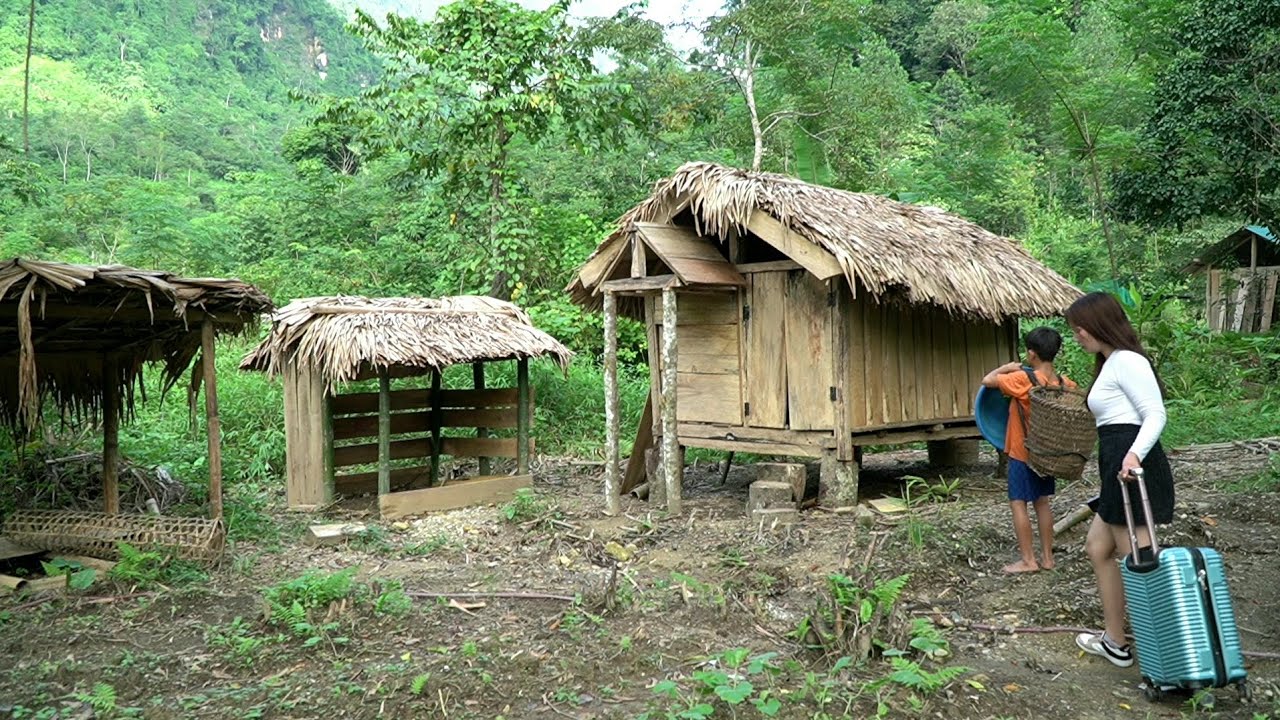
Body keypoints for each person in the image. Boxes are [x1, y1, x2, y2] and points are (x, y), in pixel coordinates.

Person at [1065, 292, 1174, 669]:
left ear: (1098, 325)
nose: (1076, 335)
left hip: (1131, 464)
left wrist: (1133, 455)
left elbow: (1155, 414)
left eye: (1079, 328)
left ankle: (1166, 654)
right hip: (1116, 462)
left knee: (1138, 560)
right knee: (1098, 548)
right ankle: (1115, 640)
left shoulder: (1128, 361)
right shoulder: (1110, 362)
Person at [982, 327, 1076, 574]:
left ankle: (1028, 560)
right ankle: (1047, 558)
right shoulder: (1065, 384)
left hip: (1022, 452)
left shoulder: (1023, 380)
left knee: (1018, 503)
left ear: (1032, 354)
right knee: (1042, 502)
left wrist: (1006, 368)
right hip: (1048, 455)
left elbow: (987, 381)